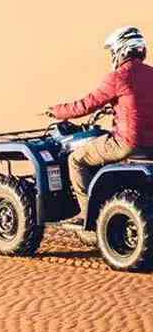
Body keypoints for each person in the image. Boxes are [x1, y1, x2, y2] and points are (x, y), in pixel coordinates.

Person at [48, 26, 153, 219]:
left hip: (127, 143)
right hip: (150, 146)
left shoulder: (118, 77)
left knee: (76, 160)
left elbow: (85, 105)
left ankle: (88, 216)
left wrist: (57, 111)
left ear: (121, 50)